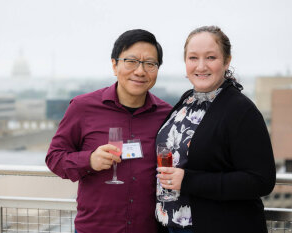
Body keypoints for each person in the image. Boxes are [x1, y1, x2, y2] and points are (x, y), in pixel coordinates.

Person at [45, 29, 172, 233]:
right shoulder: (82, 107)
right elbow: (54, 158)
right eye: (131, 61)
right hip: (95, 228)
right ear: (114, 65)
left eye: (150, 64)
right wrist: (89, 160)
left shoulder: (167, 115)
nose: (140, 71)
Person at [155, 26, 276, 233]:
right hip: (172, 226)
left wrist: (189, 180)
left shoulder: (240, 110)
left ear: (227, 61)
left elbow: (261, 181)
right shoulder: (187, 100)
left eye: (210, 57)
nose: (201, 66)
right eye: (193, 58)